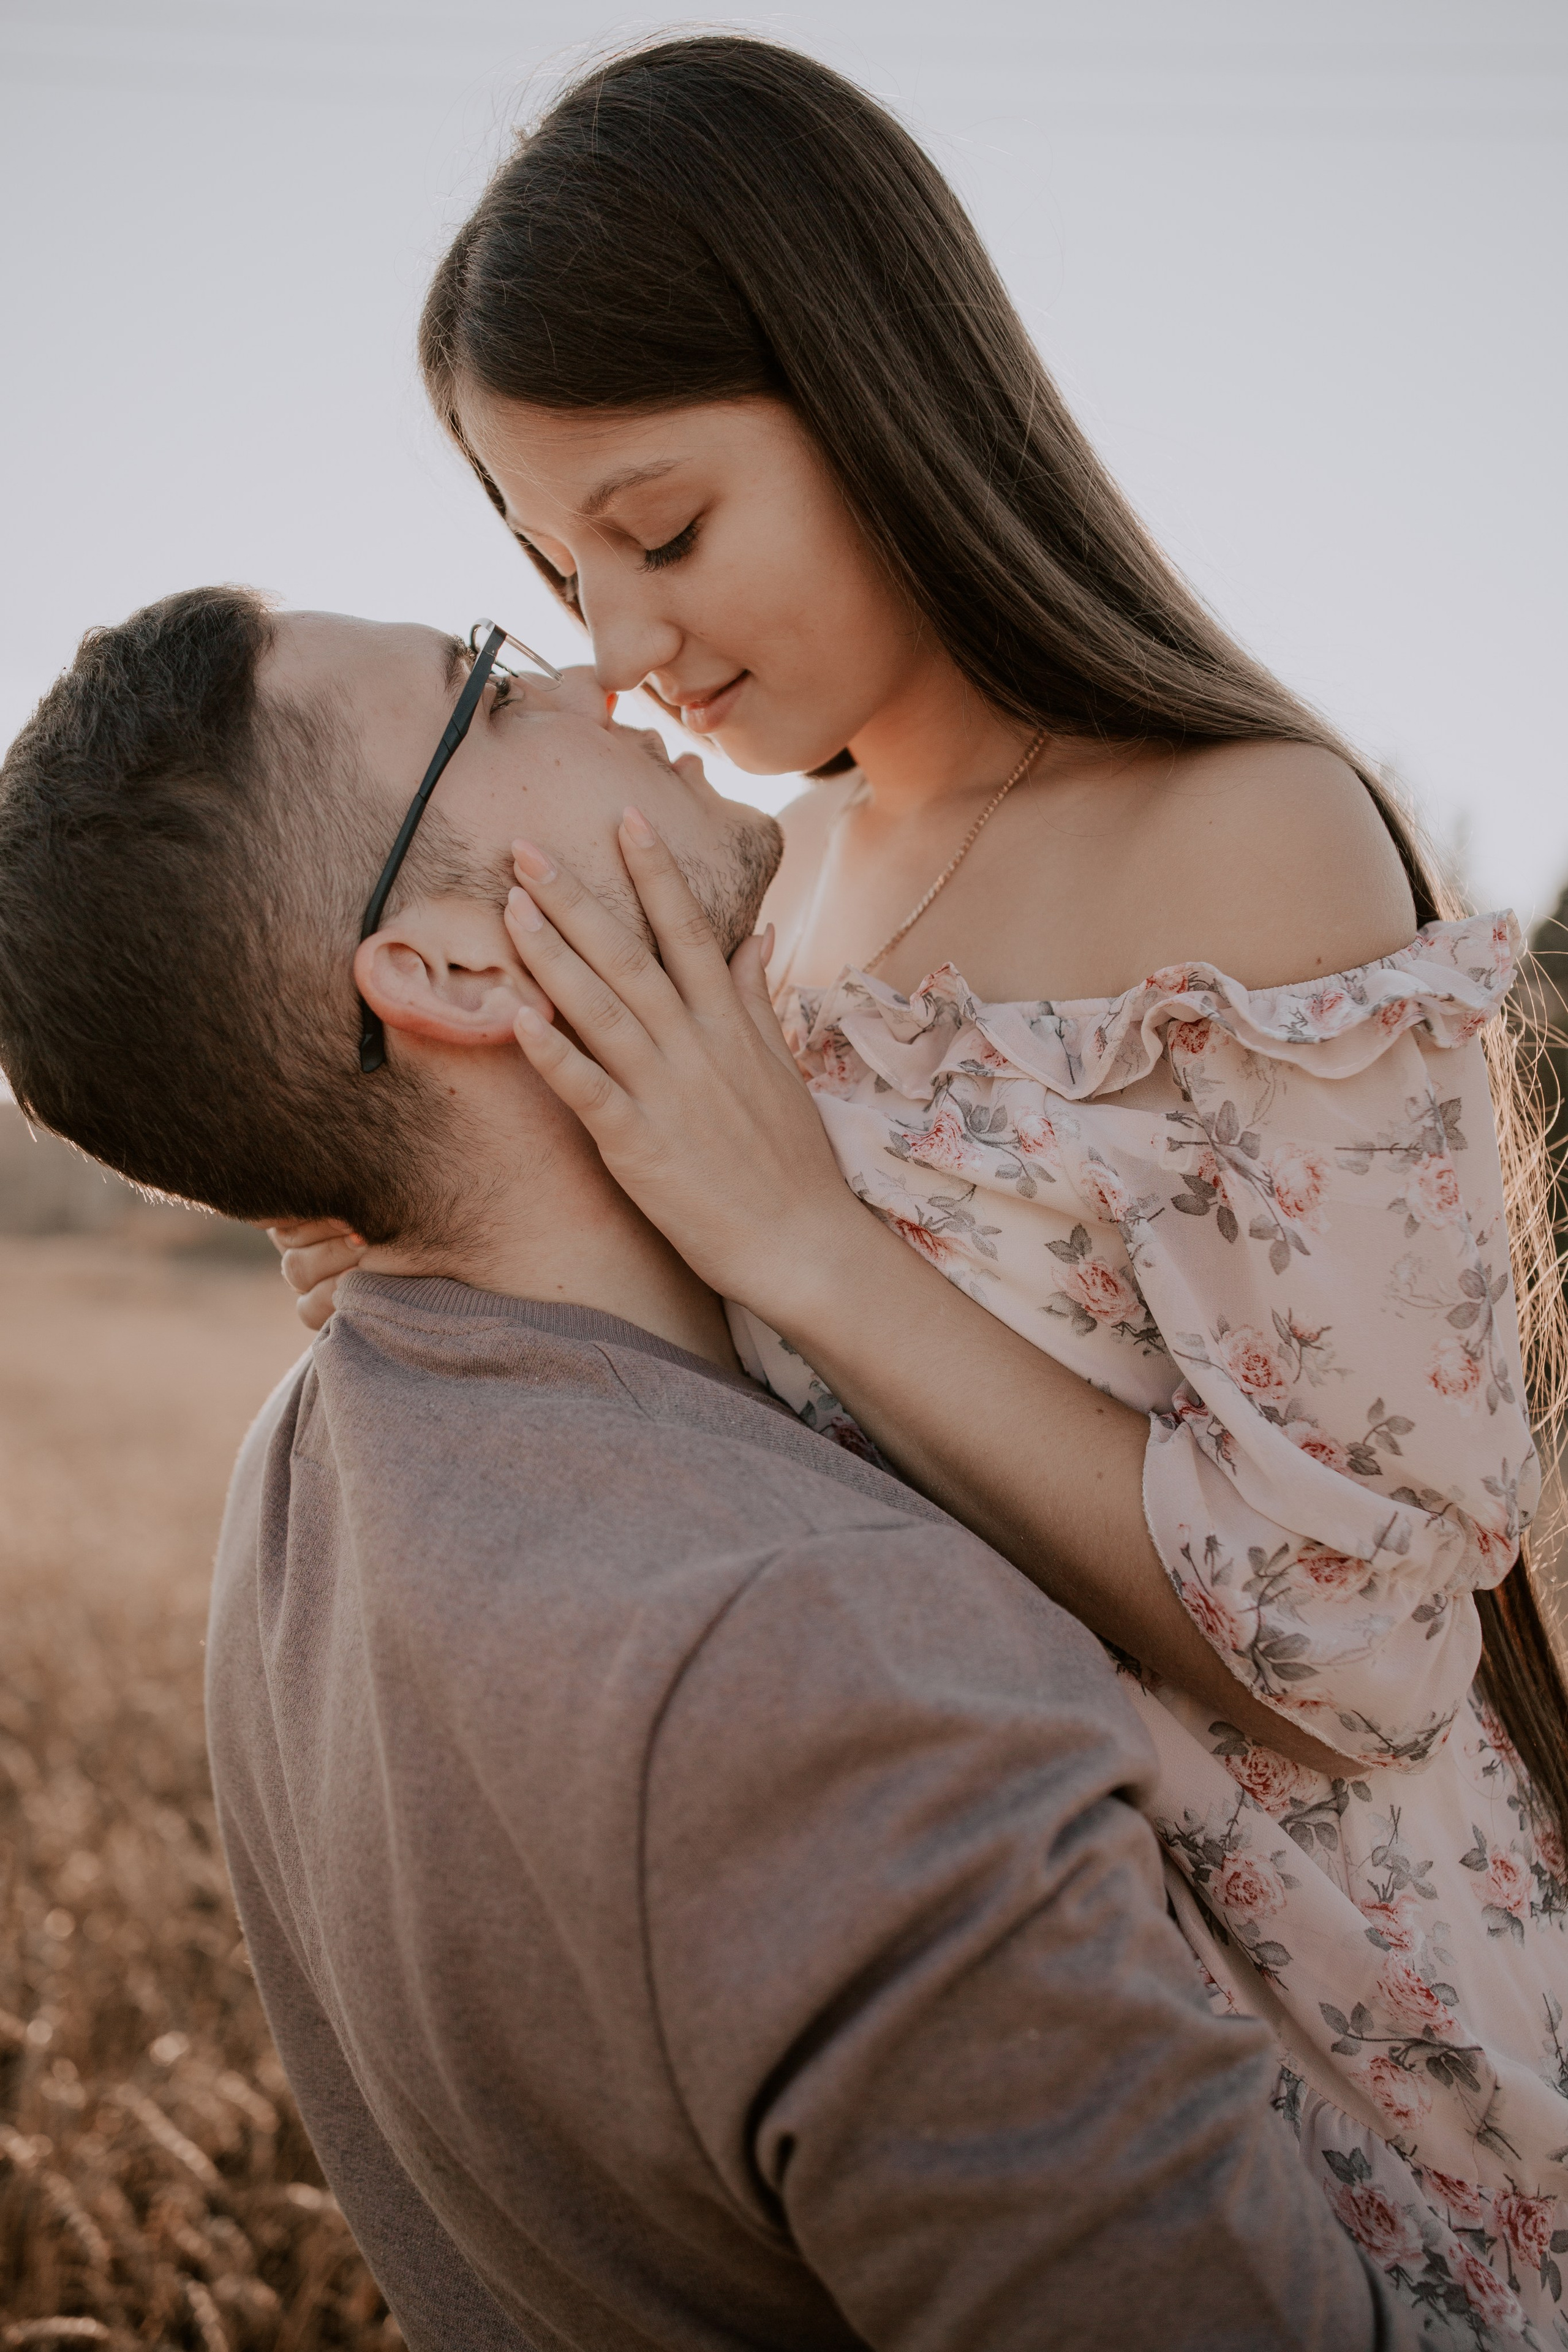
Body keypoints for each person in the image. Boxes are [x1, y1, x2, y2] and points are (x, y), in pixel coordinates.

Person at [287, 30, 1568, 2344]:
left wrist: (804, 1243)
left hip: (1354, 2055)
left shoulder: (1243, 836)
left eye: (663, 531)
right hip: (975, 2026)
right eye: (557, 567)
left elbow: (1370, 1649)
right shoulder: (754, 890)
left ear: (876, 385)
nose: (626, 648)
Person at [0, 587, 1404, 2351]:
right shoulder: (818, 1655)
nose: (592, 672)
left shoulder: (295, 1480)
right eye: (487, 692)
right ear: (451, 971)